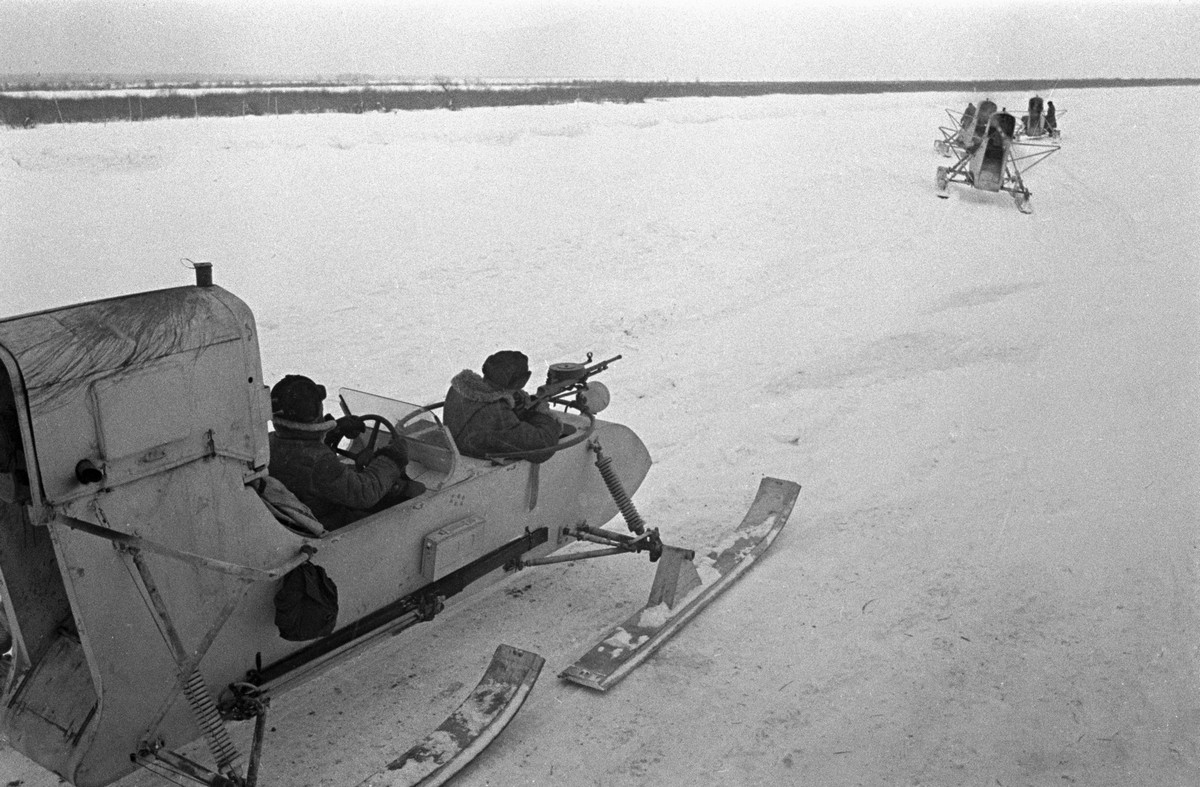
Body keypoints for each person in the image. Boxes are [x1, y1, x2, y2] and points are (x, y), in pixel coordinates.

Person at [268, 375, 423, 529]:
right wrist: (392, 458)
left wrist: (334, 431)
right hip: (334, 523)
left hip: (313, 511)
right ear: (313, 414)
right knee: (408, 500)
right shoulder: (319, 462)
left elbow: (304, 453)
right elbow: (365, 492)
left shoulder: (271, 443)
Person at [443, 351, 575, 463]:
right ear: (522, 381)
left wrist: (514, 403)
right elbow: (542, 447)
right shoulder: (495, 412)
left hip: (459, 454)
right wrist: (543, 414)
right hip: (479, 464)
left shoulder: (460, 390)